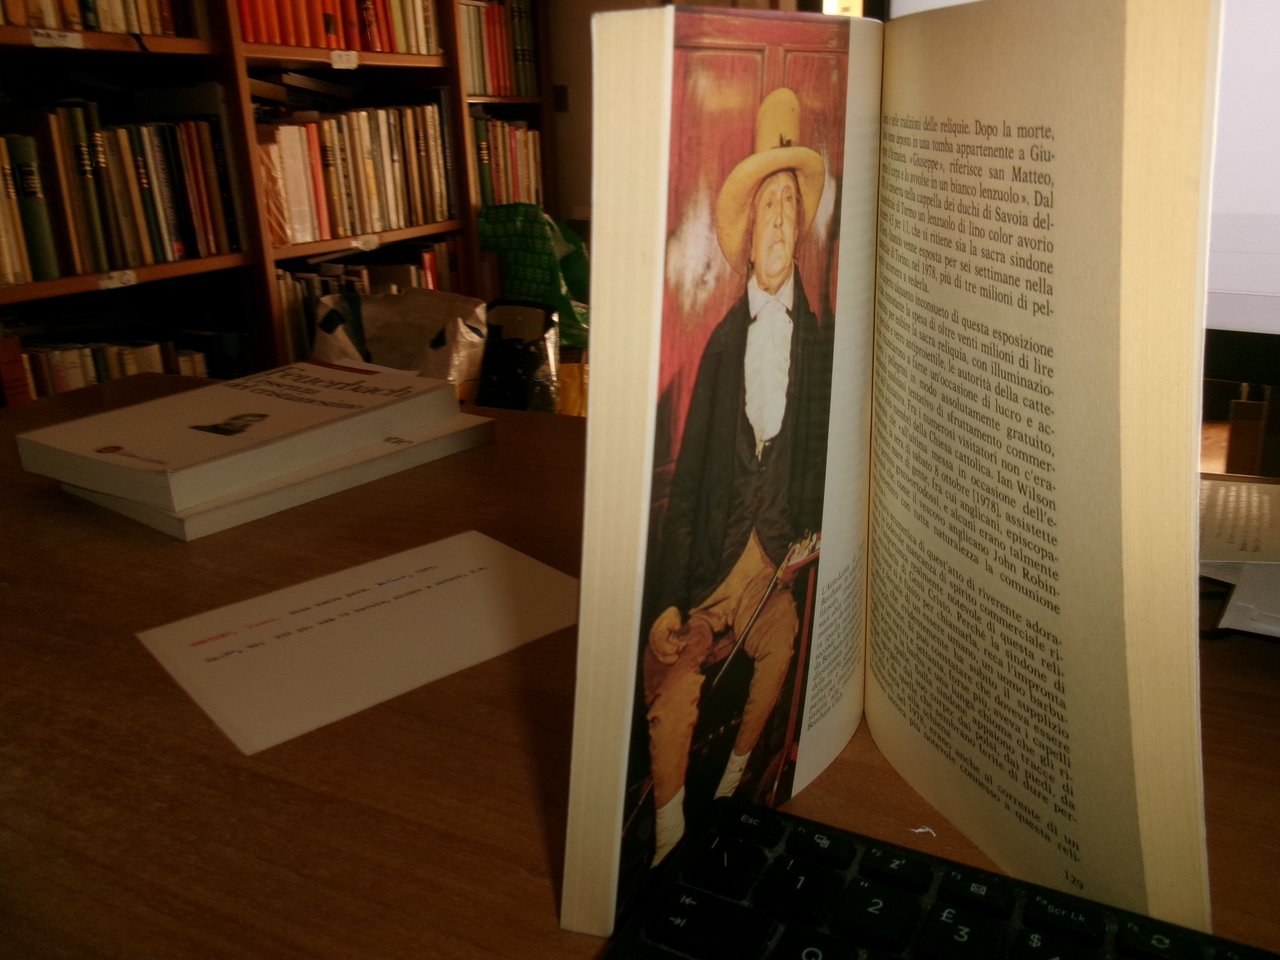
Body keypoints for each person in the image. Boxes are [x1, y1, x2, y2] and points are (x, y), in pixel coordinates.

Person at [643, 87, 833, 865]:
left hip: (772, 570)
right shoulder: (723, 346)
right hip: (712, 575)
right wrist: (671, 599)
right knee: (671, 685)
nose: (780, 223)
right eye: (768, 210)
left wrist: (815, 532)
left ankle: (732, 784)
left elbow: (818, 463)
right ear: (749, 238)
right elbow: (687, 489)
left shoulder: (818, 342)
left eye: (790, 206)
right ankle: (667, 832)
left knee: (782, 648)